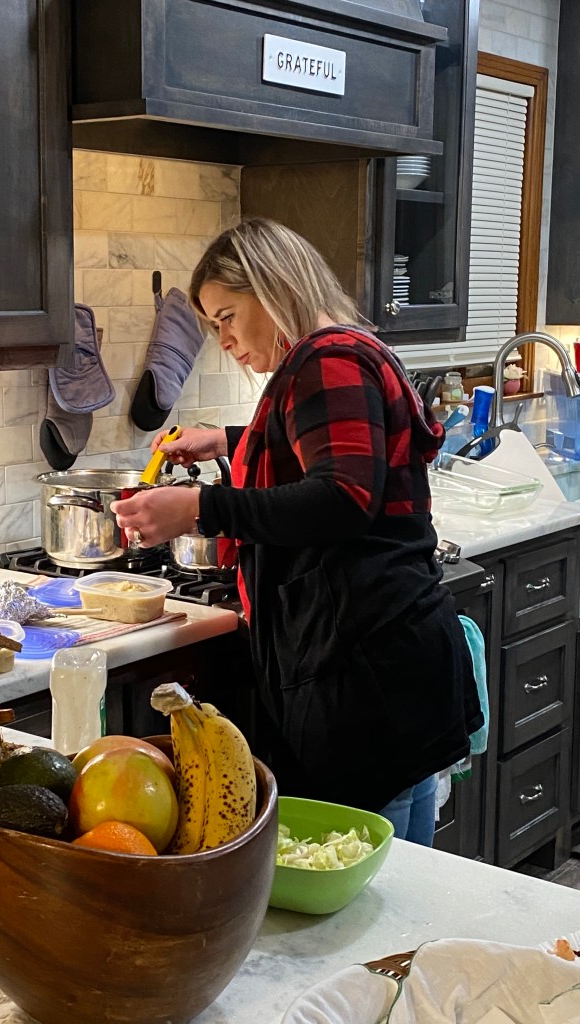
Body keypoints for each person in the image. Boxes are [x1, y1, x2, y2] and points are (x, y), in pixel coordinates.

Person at [111, 217, 483, 846]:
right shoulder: (343, 352)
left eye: (228, 316)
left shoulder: (326, 360)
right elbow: (330, 448)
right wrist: (230, 439)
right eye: (214, 325)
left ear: (273, 288)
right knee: (398, 873)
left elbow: (344, 496)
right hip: (390, 660)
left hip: (363, 672)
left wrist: (202, 507)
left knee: (357, 878)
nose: (225, 339)